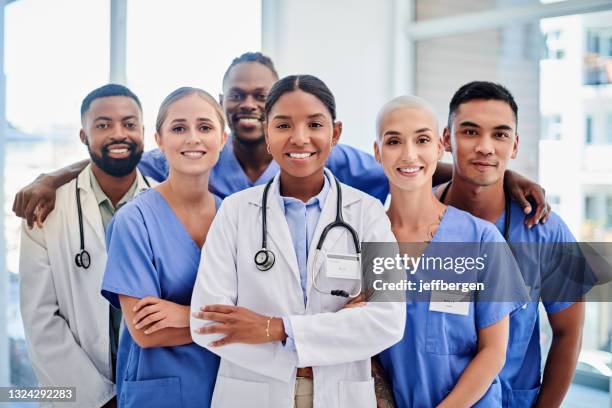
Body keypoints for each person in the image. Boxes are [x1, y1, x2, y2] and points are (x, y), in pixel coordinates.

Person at [13, 52, 549, 227]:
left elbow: (409, 165)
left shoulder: (334, 162)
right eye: (236, 95)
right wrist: (51, 175)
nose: (248, 103)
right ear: (223, 107)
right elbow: (118, 159)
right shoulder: (192, 159)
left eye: (260, 96)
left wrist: (506, 172)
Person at [190, 75, 406, 408]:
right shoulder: (235, 212)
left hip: (340, 394)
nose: (300, 138)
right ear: (266, 132)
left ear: (335, 133)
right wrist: (319, 343)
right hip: (253, 393)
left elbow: (389, 319)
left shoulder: (368, 213)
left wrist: (277, 329)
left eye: (315, 124)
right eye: (283, 125)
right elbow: (207, 323)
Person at [435, 81, 585, 407]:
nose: (486, 147)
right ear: (446, 139)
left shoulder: (546, 231)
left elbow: (568, 334)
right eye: (470, 132)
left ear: (514, 146)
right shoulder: (411, 222)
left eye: (500, 135)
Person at [373, 95, 526, 407]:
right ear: (377, 152)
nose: (409, 154)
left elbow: (494, 352)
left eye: (422, 139)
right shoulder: (365, 240)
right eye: (393, 141)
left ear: (440, 147)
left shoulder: (480, 238)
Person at [19, 84, 152, 407]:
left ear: (144, 132)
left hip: (151, 387)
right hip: (74, 395)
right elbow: (40, 320)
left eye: (129, 124)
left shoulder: (166, 203)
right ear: (83, 136)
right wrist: (98, 400)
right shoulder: (46, 211)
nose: (118, 133)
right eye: (103, 125)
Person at [100, 87, 225, 408]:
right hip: (160, 394)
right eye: (179, 128)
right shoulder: (134, 221)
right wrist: (235, 326)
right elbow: (147, 333)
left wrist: (184, 316)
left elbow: (261, 313)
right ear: (159, 139)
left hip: (230, 387)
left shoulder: (236, 216)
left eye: (205, 127)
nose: (193, 138)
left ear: (223, 139)